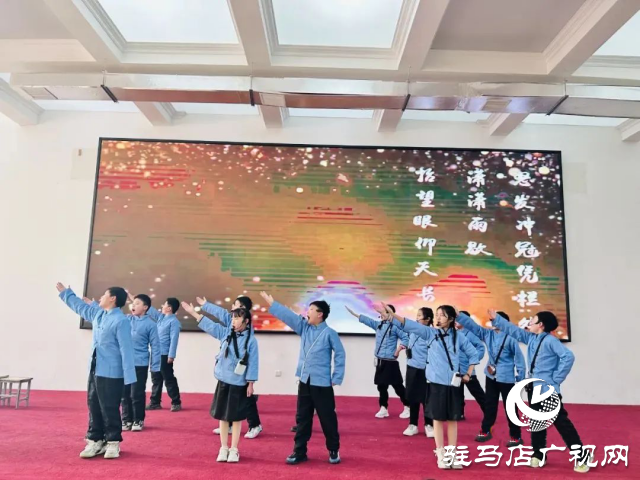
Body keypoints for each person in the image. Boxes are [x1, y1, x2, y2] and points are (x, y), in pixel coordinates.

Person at [489, 309, 591, 473]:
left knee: (561, 423)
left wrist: (556, 378)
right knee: (536, 423)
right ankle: (538, 454)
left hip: (547, 389)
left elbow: (568, 357)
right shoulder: (532, 338)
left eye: (533, 320)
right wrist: (497, 319)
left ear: (541, 325)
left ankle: (582, 456)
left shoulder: (551, 341)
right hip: (534, 388)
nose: (529, 323)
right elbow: (514, 331)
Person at [386, 304, 479, 470]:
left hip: (453, 383)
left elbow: (473, 353)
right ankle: (440, 453)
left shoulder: (458, 337)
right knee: (437, 419)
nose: (438, 318)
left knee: (453, 420)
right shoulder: (430, 333)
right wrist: (393, 315)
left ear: (451, 318)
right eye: (437, 315)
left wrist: (468, 373)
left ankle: (452, 455)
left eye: (442, 315)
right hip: (436, 383)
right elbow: (410, 325)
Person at [261, 291, 345, 465]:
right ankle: (299, 451)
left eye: (311, 309)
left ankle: (333, 449)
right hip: (305, 381)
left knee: (327, 418)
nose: (308, 312)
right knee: (302, 418)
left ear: (320, 314)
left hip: (322, 383)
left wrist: (336, 377)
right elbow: (290, 317)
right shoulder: (305, 328)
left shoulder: (330, 333)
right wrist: (273, 304)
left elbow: (340, 354)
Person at [56, 282, 136, 460]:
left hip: (112, 371)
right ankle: (95, 440)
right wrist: (67, 293)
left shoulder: (121, 320)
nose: (101, 297)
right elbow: (80, 307)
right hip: (95, 368)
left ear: (113, 298)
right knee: (93, 405)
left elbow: (126, 349)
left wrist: (129, 376)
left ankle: (113, 442)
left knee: (109, 407)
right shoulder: (99, 314)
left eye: (104, 295)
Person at [182, 300, 259, 463]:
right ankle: (223, 448)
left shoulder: (251, 341)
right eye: (233, 318)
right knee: (223, 416)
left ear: (246, 321)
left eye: (237, 318)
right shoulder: (226, 333)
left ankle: (234, 449)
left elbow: (253, 362)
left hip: (239, 383)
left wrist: (251, 383)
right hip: (223, 380)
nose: (233, 321)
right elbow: (209, 325)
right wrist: (193, 313)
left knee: (236, 418)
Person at [86, 292, 161, 431]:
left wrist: (155, 366)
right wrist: (94, 305)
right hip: (124, 363)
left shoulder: (151, 324)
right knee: (124, 394)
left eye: (137, 303)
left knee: (136, 393)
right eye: (133, 303)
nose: (133, 305)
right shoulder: (125, 319)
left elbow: (156, 346)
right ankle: (126, 419)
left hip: (140, 364)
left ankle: (138, 420)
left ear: (145, 307)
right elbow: (109, 313)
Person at [197, 295, 264, 440]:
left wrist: (251, 382)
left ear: (244, 311)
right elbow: (221, 314)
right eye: (233, 306)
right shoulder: (233, 320)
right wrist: (205, 305)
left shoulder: (247, 330)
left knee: (246, 399)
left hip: (240, 373)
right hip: (228, 372)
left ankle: (255, 425)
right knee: (230, 399)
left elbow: (252, 360)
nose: (233, 310)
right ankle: (229, 424)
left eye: (237, 306)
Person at [456, 311, 525, 446]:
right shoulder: (488, 334)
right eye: (492, 319)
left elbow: (519, 359)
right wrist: (459, 315)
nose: (492, 322)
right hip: (490, 375)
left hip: (506, 378)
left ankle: (516, 436)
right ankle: (486, 430)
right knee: (489, 404)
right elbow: (473, 326)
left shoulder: (511, 338)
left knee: (510, 407)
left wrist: (520, 377)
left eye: (495, 320)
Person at [345, 304, 410, 419]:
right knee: (381, 386)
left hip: (390, 361)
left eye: (385, 312)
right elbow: (367, 320)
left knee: (397, 385)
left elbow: (406, 338)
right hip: (380, 361)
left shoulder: (395, 327)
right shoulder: (378, 325)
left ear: (391, 314)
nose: (381, 314)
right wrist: (355, 314)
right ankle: (383, 408)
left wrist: (398, 350)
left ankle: (408, 406)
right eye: (381, 312)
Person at [400, 307, 435, 437]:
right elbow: (401, 324)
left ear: (427, 319)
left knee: (427, 398)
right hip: (412, 367)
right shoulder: (412, 330)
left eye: (420, 316)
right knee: (412, 397)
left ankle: (429, 425)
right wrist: (389, 316)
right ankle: (413, 424)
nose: (417, 318)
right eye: (417, 315)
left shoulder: (431, 333)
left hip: (426, 369)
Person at [146, 298, 182, 411]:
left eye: (164, 305)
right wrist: (136, 299)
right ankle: (155, 402)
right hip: (156, 353)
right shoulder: (161, 318)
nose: (162, 306)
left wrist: (171, 355)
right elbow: (149, 310)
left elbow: (174, 339)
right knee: (156, 378)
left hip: (165, 354)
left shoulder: (174, 322)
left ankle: (176, 402)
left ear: (169, 308)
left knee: (168, 378)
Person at [456, 311, 486, 419]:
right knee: (457, 393)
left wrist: (472, 360)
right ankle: (459, 413)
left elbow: (481, 348)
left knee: (477, 392)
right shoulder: (454, 333)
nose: (455, 321)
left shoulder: (471, 334)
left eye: (458, 319)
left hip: (467, 369)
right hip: (456, 369)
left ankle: (489, 412)